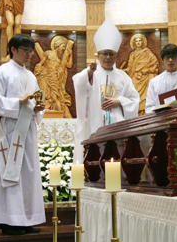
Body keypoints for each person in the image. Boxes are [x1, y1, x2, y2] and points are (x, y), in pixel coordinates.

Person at [0, 34, 46, 236]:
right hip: (10, 130)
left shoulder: (31, 76)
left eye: (31, 51)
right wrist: (17, 102)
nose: (29, 54)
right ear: (13, 49)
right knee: (10, 174)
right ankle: (7, 220)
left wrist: (39, 107)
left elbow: (36, 100)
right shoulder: (1, 72)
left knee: (27, 175)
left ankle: (25, 219)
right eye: (25, 50)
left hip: (27, 130)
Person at [72, 20, 140, 164]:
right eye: (105, 54)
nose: (108, 57)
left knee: (116, 161)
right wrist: (89, 73)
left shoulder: (123, 76)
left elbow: (134, 100)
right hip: (95, 125)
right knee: (96, 161)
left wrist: (119, 101)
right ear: (98, 56)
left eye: (112, 54)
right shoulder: (91, 73)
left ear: (116, 56)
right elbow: (79, 85)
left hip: (118, 128)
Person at [34, 36, 74, 118]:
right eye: (63, 47)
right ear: (57, 46)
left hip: (55, 80)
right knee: (44, 98)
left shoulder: (61, 59)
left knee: (57, 98)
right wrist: (38, 69)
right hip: (44, 78)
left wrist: (70, 52)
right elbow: (40, 64)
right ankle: (41, 115)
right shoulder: (48, 53)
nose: (63, 49)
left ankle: (60, 116)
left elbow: (69, 65)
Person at [122, 34, 160, 115]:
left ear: (142, 42)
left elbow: (155, 63)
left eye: (140, 41)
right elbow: (130, 68)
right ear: (134, 43)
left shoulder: (148, 52)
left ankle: (145, 115)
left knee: (146, 98)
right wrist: (123, 71)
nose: (138, 43)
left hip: (146, 78)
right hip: (135, 78)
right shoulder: (132, 54)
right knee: (135, 97)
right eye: (136, 41)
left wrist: (147, 70)